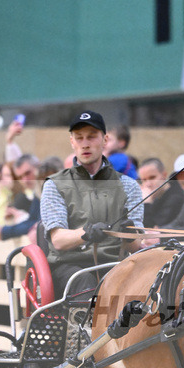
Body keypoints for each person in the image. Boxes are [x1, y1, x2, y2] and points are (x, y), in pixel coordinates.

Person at [39, 110, 144, 297]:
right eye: (79, 138)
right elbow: (58, 240)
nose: (85, 144)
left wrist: (129, 235)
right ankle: (89, 327)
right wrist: (86, 233)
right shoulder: (54, 185)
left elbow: (136, 246)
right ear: (72, 142)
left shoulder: (129, 186)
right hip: (70, 267)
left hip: (115, 266)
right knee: (86, 282)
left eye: (92, 137)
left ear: (105, 140)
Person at [0, 162, 39, 242]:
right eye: (2, 175)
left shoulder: (26, 196)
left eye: (8, 175)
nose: (3, 179)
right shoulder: (2, 195)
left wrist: (19, 216)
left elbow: (31, 223)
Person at [138, 158, 184, 228]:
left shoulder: (176, 197)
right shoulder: (156, 196)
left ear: (164, 175)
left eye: (152, 177)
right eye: (144, 180)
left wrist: (146, 204)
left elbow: (153, 231)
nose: (148, 184)